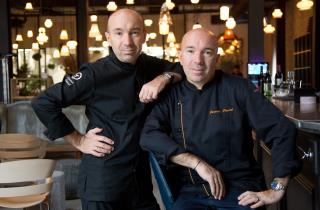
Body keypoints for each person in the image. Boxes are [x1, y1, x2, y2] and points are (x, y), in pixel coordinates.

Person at [32, 8, 183, 210]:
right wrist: (79, 140)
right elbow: (43, 102)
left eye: (134, 32)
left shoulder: (149, 65)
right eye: (119, 33)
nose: (127, 42)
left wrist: (163, 78)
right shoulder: (94, 74)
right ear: (108, 38)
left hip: (139, 184)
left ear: (144, 36)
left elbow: (181, 68)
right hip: (103, 184)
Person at [140, 28, 301, 210]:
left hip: (240, 190)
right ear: (180, 57)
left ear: (217, 59)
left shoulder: (239, 88)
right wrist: (197, 163)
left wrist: (277, 188)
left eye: (207, 52)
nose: (198, 61)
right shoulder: (170, 95)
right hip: (190, 192)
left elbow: (281, 130)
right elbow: (149, 135)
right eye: (191, 51)